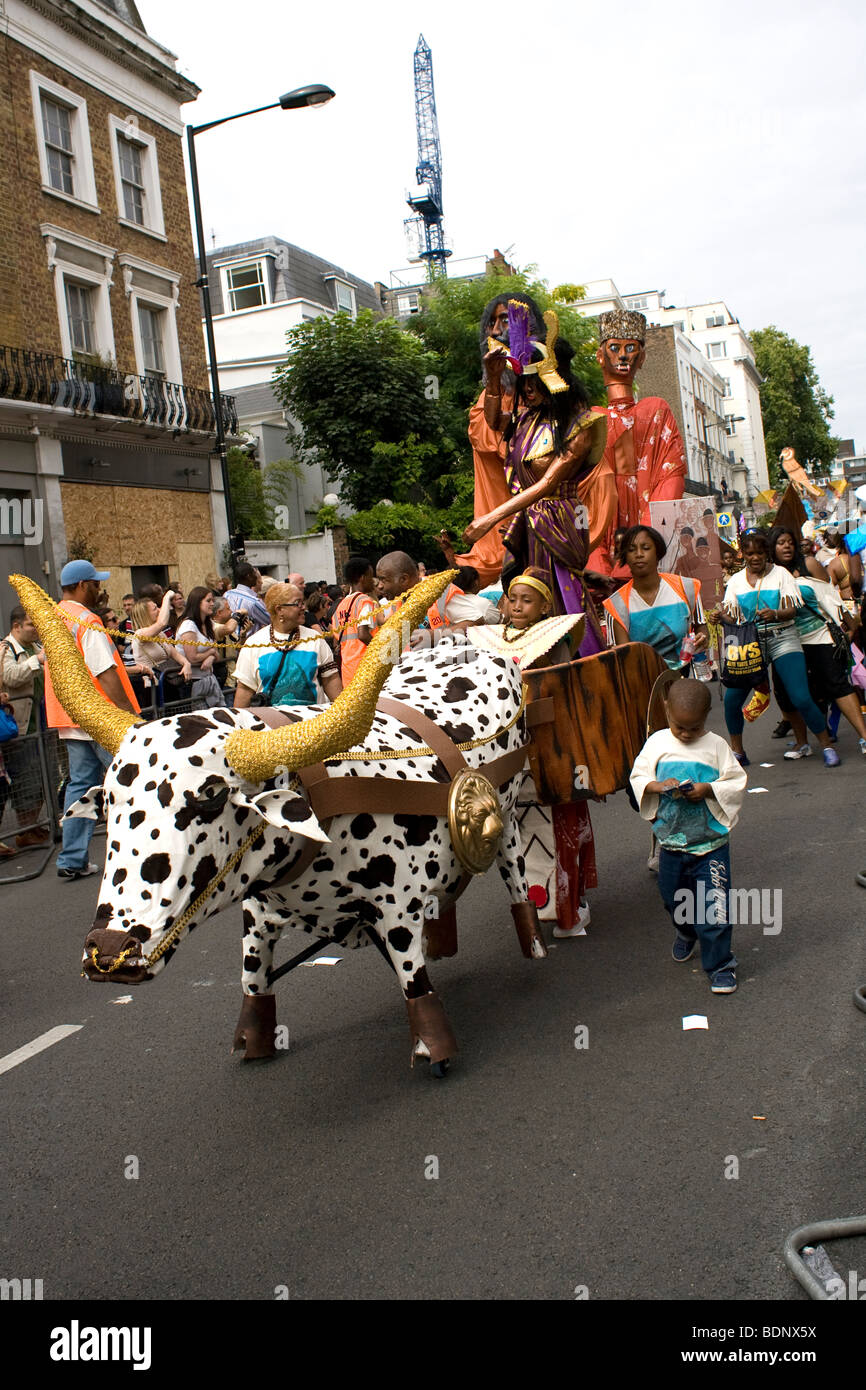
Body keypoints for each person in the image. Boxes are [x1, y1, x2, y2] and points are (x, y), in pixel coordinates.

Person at [462, 303, 613, 651]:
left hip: (558, 520)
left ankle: (580, 656)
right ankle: (531, 655)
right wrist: (493, 377)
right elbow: (492, 421)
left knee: (561, 594)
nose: (527, 390)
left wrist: (489, 518)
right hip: (526, 522)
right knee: (525, 596)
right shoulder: (524, 420)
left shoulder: (579, 425)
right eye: (523, 381)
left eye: (535, 381)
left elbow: (547, 484)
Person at [469, 569, 593, 938]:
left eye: (528, 600)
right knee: (517, 828)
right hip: (509, 750)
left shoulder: (556, 640)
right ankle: (539, 905)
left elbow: (566, 691)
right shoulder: (488, 639)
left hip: (552, 747)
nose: (518, 606)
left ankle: (569, 909)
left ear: (544, 607)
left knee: (559, 824)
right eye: (513, 598)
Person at [630, 679, 747, 995]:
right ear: (666, 710)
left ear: (707, 716)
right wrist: (658, 786)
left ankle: (721, 965)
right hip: (672, 843)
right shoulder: (657, 743)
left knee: (715, 908)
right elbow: (639, 777)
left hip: (711, 845)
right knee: (671, 897)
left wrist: (708, 789)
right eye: (679, 726)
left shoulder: (717, 746)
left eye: (694, 729)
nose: (685, 734)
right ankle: (685, 931)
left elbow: (735, 781)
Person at [45, 560, 139, 879]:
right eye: (96, 583)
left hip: (70, 717)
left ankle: (72, 859)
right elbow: (104, 672)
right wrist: (128, 713)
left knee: (81, 786)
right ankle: (141, 849)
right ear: (84, 585)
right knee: (132, 778)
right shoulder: (87, 619)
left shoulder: (54, 618)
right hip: (100, 715)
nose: (100, 589)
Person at [718, 529, 838, 767]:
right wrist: (720, 617)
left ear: (767, 553)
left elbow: (791, 611)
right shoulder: (735, 582)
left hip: (783, 636)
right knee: (733, 699)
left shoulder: (781, 574)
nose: (755, 558)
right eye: (750, 553)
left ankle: (826, 745)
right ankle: (738, 752)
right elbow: (733, 618)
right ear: (743, 554)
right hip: (750, 643)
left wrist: (774, 613)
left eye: (760, 553)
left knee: (801, 697)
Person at [455, 291, 547, 584]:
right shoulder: (489, 400)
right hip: (498, 546)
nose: (496, 331)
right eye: (491, 323)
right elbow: (493, 436)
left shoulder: (560, 405)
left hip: (551, 531)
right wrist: (494, 381)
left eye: (505, 321)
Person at [587, 309, 687, 576]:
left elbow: (670, 478)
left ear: (641, 357)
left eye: (630, 348)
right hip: (604, 523)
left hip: (645, 519)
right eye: (614, 348)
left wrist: (643, 542)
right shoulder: (591, 418)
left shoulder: (656, 411)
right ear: (600, 356)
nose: (622, 355)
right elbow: (584, 490)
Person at [767, 525, 866, 757]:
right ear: (772, 547)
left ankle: (863, 735)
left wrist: (848, 625)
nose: (787, 546)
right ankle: (803, 743)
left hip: (819, 635)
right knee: (786, 692)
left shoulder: (808, 564)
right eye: (781, 543)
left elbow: (829, 596)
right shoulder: (768, 573)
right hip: (785, 641)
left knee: (837, 684)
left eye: (790, 542)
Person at [603, 526, 708, 671]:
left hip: (683, 676)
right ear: (625, 556)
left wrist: (702, 639)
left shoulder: (687, 588)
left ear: (658, 553)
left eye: (645, 548)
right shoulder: (616, 605)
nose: (639, 554)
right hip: (643, 681)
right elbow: (625, 658)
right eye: (632, 550)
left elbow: (701, 629)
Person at [233, 582, 342, 709]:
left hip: (312, 725)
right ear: (279, 610)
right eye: (298, 603)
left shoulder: (315, 640)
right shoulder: (254, 644)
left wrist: (345, 714)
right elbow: (245, 691)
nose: (303, 608)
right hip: (271, 725)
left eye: (303, 602)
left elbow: (331, 680)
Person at [0, 606, 51, 848]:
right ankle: (24, 829)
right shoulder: (6, 649)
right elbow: (10, 677)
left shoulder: (36, 647)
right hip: (20, 726)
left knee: (42, 775)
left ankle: (32, 825)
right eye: (31, 624)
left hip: (42, 722)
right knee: (24, 779)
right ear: (17, 626)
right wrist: (36, 662)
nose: (36, 629)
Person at [331, 556, 381, 686]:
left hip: (348, 670)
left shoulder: (341, 606)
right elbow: (363, 634)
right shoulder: (364, 601)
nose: (373, 581)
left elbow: (337, 639)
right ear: (362, 578)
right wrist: (382, 651)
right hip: (366, 667)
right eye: (371, 577)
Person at [175, 587, 225, 709]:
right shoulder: (188, 625)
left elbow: (217, 655)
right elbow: (192, 657)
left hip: (209, 678)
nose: (212, 604)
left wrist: (211, 657)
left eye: (212, 600)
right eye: (208, 601)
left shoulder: (208, 624)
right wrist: (212, 652)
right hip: (194, 682)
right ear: (198, 603)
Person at [224, 563, 271, 634]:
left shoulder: (227, 594)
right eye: (254, 573)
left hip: (229, 641)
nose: (256, 577)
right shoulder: (253, 602)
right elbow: (270, 621)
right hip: (247, 642)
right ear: (248, 576)